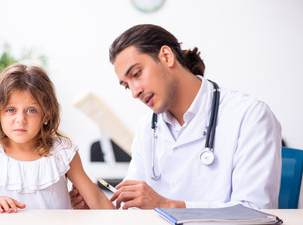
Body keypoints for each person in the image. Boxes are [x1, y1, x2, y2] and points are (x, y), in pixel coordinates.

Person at [70, 24, 282, 210]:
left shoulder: (249, 116)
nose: (134, 92)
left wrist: (167, 205)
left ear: (166, 56)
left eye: (136, 74)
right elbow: (133, 209)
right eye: (126, 86)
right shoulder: (148, 128)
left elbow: (256, 211)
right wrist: (95, 207)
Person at [0, 63, 114, 213]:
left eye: (31, 110)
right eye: (11, 110)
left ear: (46, 114)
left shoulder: (63, 152)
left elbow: (98, 202)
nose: (20, 119)